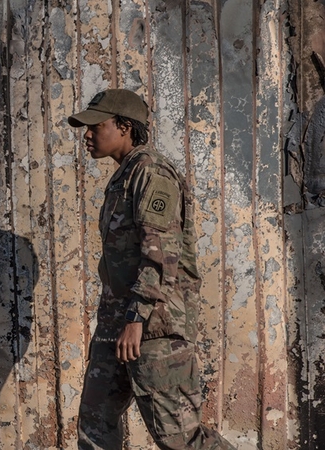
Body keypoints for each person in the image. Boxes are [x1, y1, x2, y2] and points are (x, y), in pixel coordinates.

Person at [68, 89, 235, 450]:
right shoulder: (124, 177)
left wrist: (137, 319)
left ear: (125, 126)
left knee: (179, 438)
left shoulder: (151, 173)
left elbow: (160, 256)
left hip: (153, 328)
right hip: (118, 326)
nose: (87, 134)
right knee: (94, 425)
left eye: (96, 126)